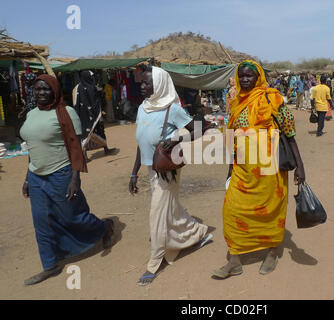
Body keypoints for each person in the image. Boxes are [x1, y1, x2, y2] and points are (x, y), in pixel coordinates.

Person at [212, 60, 305, 278]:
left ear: (258, 77)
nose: (244, 79)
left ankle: (271, 252)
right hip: (242, 170)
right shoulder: (235, 102)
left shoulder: (271, 98)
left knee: (271, 213)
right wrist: (229, 170)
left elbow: (289, 134)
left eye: (249, 76)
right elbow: (232, 140)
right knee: (231, 211)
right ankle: (234, 261)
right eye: (241, 75)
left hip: (270, 172)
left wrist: (300, 167)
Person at [20, 74, 114, 286]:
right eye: (38, 89)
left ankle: (104, 227)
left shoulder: (66, 113)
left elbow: (76, 147)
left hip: (61, 174)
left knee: (74, 217)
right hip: (36, 176)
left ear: (55, 90)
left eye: (46, 89)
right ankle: (50, 265)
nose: (42, 93)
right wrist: (27, 178)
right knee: (41, 222)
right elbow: (32, 148)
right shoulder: (31, 113)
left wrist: (75, 178)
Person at [129, 66, 213, 286]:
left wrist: (176, 140)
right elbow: (141, 142)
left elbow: (199, 128)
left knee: (157, 212)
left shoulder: (172, 108)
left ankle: (154, 262)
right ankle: (197, 233)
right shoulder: (143, 108)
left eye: (148, 83)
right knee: (171, 209)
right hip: (150, 167)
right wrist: (133, 173)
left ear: (161, 84)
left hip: (168, 170)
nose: (144, 87)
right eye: (142, 84)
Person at [73, 71, 116, 159]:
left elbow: (76, 103)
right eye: (91, 77)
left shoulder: (77, 88)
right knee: (99, 130)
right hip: (94, 114)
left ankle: (85, 154)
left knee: (86, 132)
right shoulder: (91, 87)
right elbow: (95, 102)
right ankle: (105, 149)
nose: (92, 78)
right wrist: (99, 114)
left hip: (83, 116)